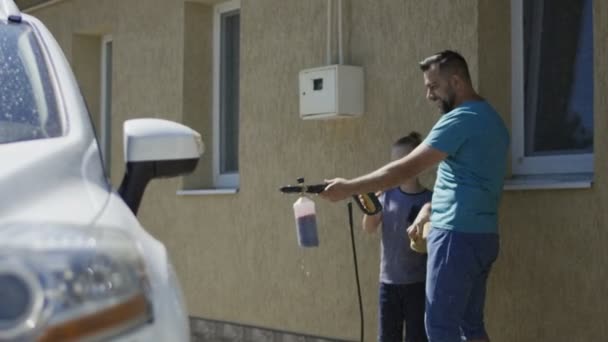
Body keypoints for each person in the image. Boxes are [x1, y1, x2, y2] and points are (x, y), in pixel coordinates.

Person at [320, 50, 510, 342]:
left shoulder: (459, 120)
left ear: (457, 82)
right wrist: (429, 208)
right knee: (470, 326)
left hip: (454, 238)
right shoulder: (492, 121)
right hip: (484, 237)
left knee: (439, 328)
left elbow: (405, 169)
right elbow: (471, 185)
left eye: (433, 86)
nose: (429, 95)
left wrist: (348, 187)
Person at [362, 132, 432, 342]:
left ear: (417, 164)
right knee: (388, 337)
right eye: (393, 163)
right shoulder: (387, 196)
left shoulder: (429, 199)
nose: (395, 169)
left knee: (417, 337)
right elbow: (369, 228)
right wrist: (371, 209)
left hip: (418, 284)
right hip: (388, 284)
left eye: (401, 162)